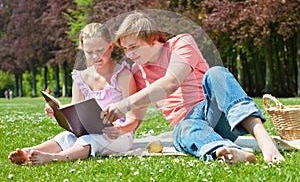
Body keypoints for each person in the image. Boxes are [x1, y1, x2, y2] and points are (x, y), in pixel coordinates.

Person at [101, 12, 285, 164]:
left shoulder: (181, 44)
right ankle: (225, 150)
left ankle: (265, 140)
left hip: (213, 112)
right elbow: (136, 118)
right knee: (182, 130)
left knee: (216, 73)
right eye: (125, 49)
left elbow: (171, 83)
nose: (129, 54)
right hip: (188, 125)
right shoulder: (137, 71)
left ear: (153, 39)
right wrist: (119, 129)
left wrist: (124, 104)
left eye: (134, 47)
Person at [8, 23, 142, 165]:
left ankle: (54, 158)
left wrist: (119, 129)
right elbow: (76, 110)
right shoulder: (80, 78)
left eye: (100, 50)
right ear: (82, 50)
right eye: (89, 52)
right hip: (90, 130)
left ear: (110, 46)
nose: (96, 56)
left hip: (120, 135)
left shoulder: (123, 76)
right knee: (67, 137)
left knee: (91, 139)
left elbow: (133, 119)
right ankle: (29, 151)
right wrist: (58, 112)